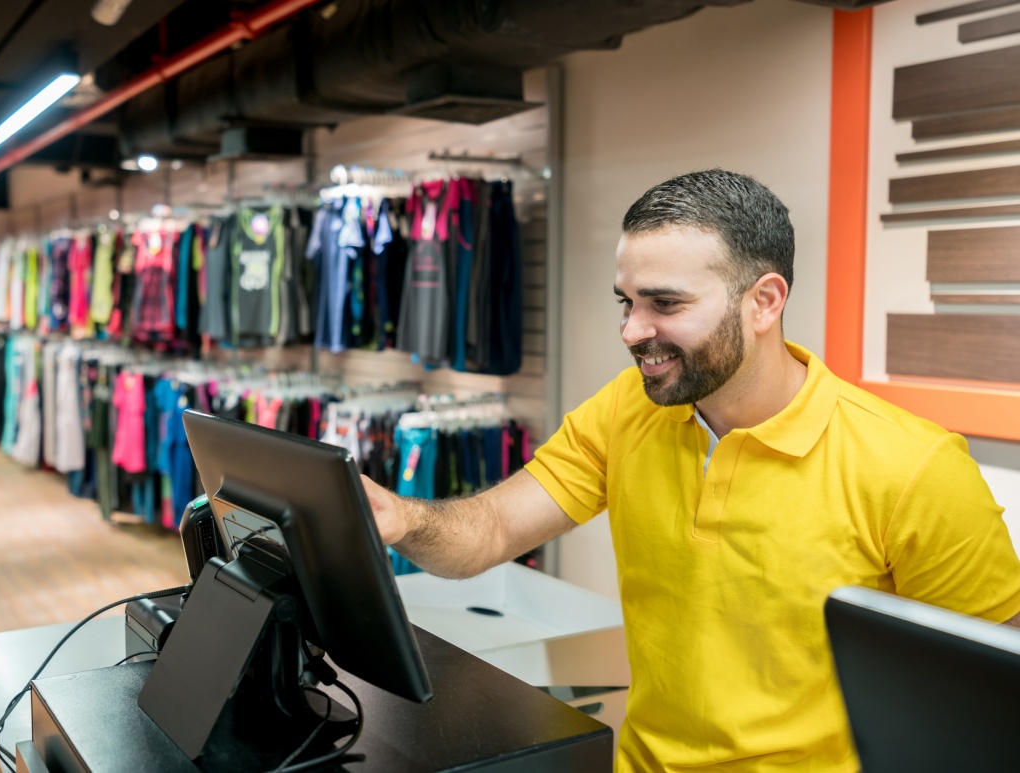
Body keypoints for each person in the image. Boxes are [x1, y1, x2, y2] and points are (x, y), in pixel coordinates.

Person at [362, 169, 1020, 773]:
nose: (631, 330)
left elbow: (991, 701)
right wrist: (400, 517)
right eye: (625, 301)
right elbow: (494, 528)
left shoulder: (913, 465)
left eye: (664, 304)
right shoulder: (627, 410)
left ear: (763, 301)